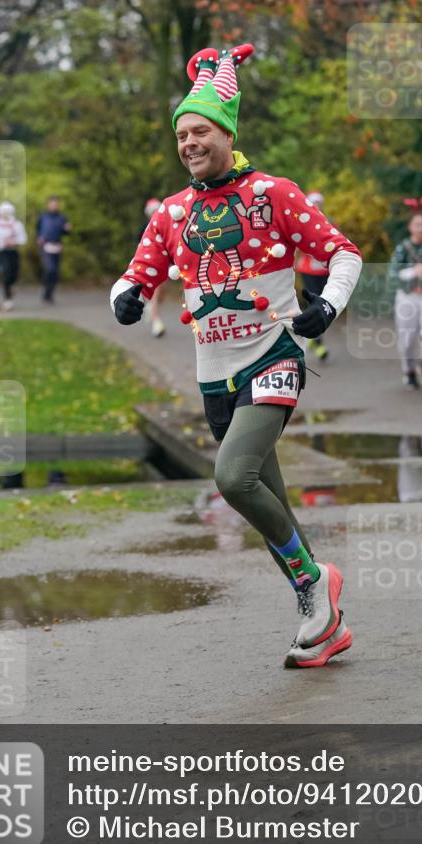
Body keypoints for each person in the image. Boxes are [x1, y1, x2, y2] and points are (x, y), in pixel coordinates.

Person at [110, 43, 362, 667]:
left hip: (274, 354)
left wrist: (326, 308)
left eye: (200, 132)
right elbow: (135, 276)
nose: (189, 143)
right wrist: (125, 298)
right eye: (182, 135)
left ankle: (314, 584)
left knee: (232, 479)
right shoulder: (173, 211)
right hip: (214, 377)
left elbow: (344, 253)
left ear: (227, 134)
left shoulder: (273, 193)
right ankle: (325, 620)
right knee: (266, 497)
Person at [387, 202, 422, 389]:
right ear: (410, 227)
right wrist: (412, 271)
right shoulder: (403, 248)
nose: (421, 228)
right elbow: (393, 274)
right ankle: (409, 371)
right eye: (417, 224)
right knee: (407, 340)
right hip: (408, 297)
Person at [295, 190, 330, 360]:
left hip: (325, 270)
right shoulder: (302, 221)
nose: (317, 206)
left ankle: (313, 339)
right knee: (314, 303)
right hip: (308, 270)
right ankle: (318, 343)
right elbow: (297, 244)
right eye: (313, 203)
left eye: (319, 203)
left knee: (324, 304)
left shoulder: (329, 222)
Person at [0, 201, 27, 310]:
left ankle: (11, 287)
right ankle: (7, 300)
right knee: (6, 273)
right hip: (2, 252)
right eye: (4, 212)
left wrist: (14, 242)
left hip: (13, 252)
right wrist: (1, 240)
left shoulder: (17, 225)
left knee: (13, 275)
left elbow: (23, 239)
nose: (5, 214)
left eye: (7, 212)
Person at [139, 198, 167, 337]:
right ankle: (157, 323)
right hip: (151, 264)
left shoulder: (166, 226)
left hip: (166, 264)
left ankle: (151, 308)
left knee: (161, 294)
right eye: (152, 211)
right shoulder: (144, 228)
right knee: (156, 292)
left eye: (157, 210)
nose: (155, 213)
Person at [36, 196, 71, 303]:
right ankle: (45, 289)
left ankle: (49, 294)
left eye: (56, 204)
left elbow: (66, 232)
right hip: (46, 246)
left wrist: (67, 229)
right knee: (49, 269)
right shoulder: (43, 217)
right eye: (52, 204)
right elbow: (37, 229)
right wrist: (39, 237)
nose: (54, 206)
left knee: (55, 272)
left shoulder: (62, 217)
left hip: (57, 246)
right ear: (48, 205)